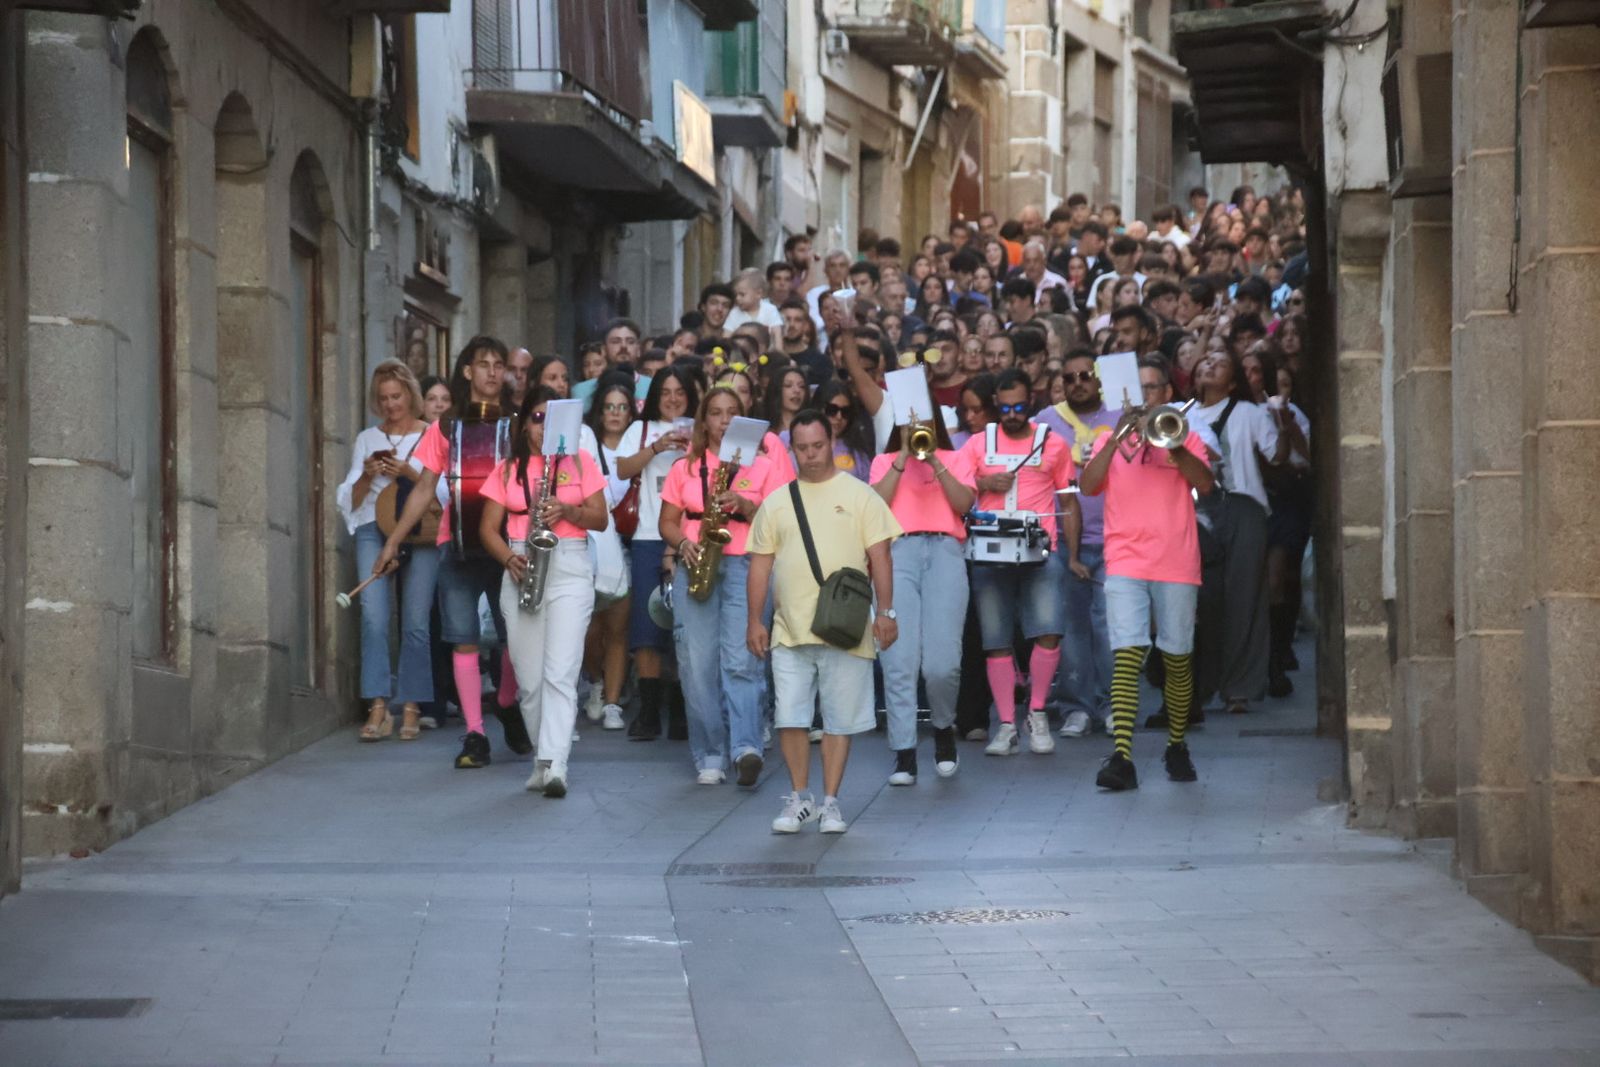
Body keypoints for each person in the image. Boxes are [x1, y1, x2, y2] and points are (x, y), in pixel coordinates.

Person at [374, 336, 532, 769]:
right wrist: (394, 539)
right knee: (462, 640)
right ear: (467, 372)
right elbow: (425, 486)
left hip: (508, 546)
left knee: (514, 640)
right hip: (458, 545)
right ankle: (475, 734)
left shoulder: (519, 423)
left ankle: (505, 701)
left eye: (500, 364)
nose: (493, 372)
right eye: (483, 364)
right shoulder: (446, 427)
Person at [747, 411, 901, 834]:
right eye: (802, 448)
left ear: (831, 440)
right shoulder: (777, 501)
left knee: (839, 719)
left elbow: (881, 557)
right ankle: (800, 797)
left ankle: (831, 801)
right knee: (790, 716)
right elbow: (760, 567)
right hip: (789, 627)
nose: (811, 455)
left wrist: (886, 612)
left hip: (846, 626)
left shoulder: (861, 495)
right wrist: (753, 622)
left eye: (818, 446)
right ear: (790, 447)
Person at [1079, 358, 1214, 790]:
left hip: (1176, 558)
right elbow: (1089, 486)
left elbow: (1205, 485)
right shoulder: (1108, 438)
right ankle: (1122, 756)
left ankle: (1176, 744)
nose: (1146, 396)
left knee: (1176, 656)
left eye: (1153, 389)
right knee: (1128, 653)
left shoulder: (1184, 434)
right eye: (1139, 390)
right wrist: (1117, 436)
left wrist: (1172, 446)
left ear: (1166, 395)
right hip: (1124, 559)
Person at [477, 388, 609, 796]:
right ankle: (542, 757)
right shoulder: (507, 468)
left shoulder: (580, 462)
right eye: (536, 418)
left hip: (569, 564)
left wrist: (568, 511)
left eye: (551, 419)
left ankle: (556, 764)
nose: (542, 427)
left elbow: (601, 519)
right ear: (524, 423)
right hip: (522, 563)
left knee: (560, 674)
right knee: (530, 681)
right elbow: (486, 529)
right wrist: (508, 559)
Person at [659, 387, 792, 786]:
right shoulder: (687, 466)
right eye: (716, 413)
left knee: (743, 659)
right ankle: (710, 752)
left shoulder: (765, 466)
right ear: (704, 421)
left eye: (732, 413)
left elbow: (781, 523)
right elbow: (667, 521)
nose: (723, 420)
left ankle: (746, 747)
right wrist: (682, 544)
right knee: (697, 665)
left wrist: (749, 506)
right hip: (697, 561)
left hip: (747, 563)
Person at [960, 369, 1081, 756]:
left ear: (1031, 402)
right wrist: (983, 484)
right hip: (992, 550)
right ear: (996, 403)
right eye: (1005, 406)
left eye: (1019, 406)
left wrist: (1072, 554)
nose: (1011, 414)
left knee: (1049, 631)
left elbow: (1068, 501)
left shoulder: (1054, 444)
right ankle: (1007, 723)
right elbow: (956, 492)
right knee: (995, 639)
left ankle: (1038, 711)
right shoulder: (978, 444)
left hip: (1040, 547)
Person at [869, 381, 976, 784]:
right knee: (898, 660)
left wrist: (933, 460)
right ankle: (904, 751)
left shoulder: (955, 456)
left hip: (946, 553)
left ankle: (944, 728)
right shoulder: (884, 463)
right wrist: (901, 456)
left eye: (922, 414)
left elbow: (964, 504)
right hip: (897, 553)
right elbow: (875, 505)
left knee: (942, 664)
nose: (915, 422)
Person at [337, 360, 439, 742]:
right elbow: (351, 499)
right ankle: (378, 704)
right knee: (373, 616)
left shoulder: (432, 434)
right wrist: (367, 473)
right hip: (372, 528)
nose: (391, 404)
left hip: (421, 532)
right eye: (384, 398)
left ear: (410, 394)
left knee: (415, 620)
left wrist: (407, 472)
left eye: (397, 396)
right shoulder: (367, 437)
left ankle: (411, 704)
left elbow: (442, 493)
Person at [1190, 352, 1282, 716]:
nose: (1210, 363)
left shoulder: (1249, 412)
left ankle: (1239, 688)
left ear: (1232, 383)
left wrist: (1283, 424)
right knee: (1204, 597)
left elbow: (1276, 457)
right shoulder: (1182, 414)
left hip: (1244, 505)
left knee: (1245, 598)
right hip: (1197, 510)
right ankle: (1203, 684)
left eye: (1220, 362)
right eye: (1206, 359)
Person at [1034, 351, 1119, 738]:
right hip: (1063, 541)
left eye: (1085, 375)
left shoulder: (1121, 415)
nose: (1077, 382)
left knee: (1107, 627)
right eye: (1069, 378)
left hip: (1116, 537)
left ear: (1099, 380)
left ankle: (1111, 704)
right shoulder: (1046, 422)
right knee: (1071, 629)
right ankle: (1076, 707)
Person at [615, 366, 700, 740]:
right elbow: (621, 469)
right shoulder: (641, 429)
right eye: (665, 391)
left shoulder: (701, 426)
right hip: (649, 535)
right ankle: (649, 711)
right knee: (647, 627)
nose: (672, 398)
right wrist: (655, 447)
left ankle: (681, 709)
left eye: (679, 391)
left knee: (684, 626)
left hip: (691, 536)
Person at [580, 380, 636, 731]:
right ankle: (596, 681)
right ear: (600, 412)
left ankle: (613, 701)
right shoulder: (587, 443)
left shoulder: (638, 445)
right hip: (598, 541)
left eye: (622, 407)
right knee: (590, 627)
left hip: (633, 541)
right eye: (609, 407)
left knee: (619, 626)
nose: (615, 413)